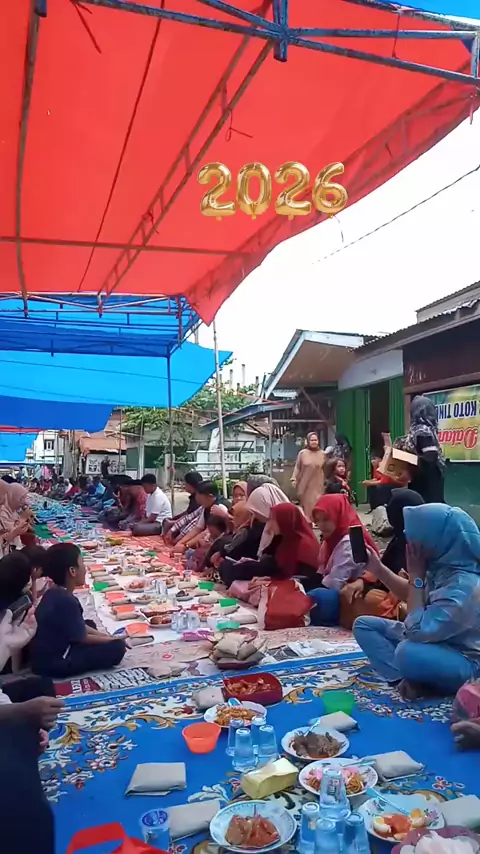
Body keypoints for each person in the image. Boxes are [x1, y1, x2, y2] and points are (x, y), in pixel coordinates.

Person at [353, 503, 480, 698]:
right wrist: (377, 568)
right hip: (434, 639)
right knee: (364, 625)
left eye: (414, 537)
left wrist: (416, 576)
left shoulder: (463, 586)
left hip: (463, 658)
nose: (408, 541)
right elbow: (412, 594)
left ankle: (420, 678)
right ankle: (403, 679)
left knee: (407, 652)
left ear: (435, 540)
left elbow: (415, 632)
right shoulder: (443, 567)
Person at [30, 543, 126, 677]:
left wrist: (105, 636)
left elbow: (76, 626)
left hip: (42, 656)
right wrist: (112, 640)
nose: (85, 568)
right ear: (72, 571)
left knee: (90, 624)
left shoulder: (53, 592)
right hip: (55, 662)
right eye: (82, 563)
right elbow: (83, 638)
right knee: (117, 648)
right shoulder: (66, 600)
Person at [338, 489, 424, 629]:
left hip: (408, 599)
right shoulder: (399, 538)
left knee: (370, 601)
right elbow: (383, 567)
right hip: (391, 590)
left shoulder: (420, 544)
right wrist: (363, 581)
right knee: (351, 592)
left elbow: (415, 585)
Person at [305, 494, 379, 626]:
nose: (321, 525)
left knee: (316, 598)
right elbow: (322, 573)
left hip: (351, 595)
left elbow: (335, 583)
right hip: (339, 590)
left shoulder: (348, 542)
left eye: (326, 519)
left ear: (339, 515)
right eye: (318, 520)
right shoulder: (331, 539)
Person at [398, 395, 445, 503]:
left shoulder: (422, 430)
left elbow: (431, 456)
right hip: (425, 481)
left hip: (427, 483)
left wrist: (410, 468)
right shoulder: (423, 429)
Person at [291, 432, 326, 520]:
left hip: (318, 484)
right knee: (307, 504)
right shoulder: (302, 453)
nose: (314, 442)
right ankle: (308, 521)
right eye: (312, 440)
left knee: (317, 502)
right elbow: (297, 467)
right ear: (308, 441)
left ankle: (317, 520)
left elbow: (326, 468)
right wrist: (294, 478)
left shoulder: (323, 454)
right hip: (305, 484)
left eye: (315, 440)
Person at [0, 481, 31, 554]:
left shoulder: (12, 511)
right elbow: (8, 536)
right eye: (21, 498)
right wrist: (22, 518)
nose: (24, 502)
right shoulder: (3, 513)